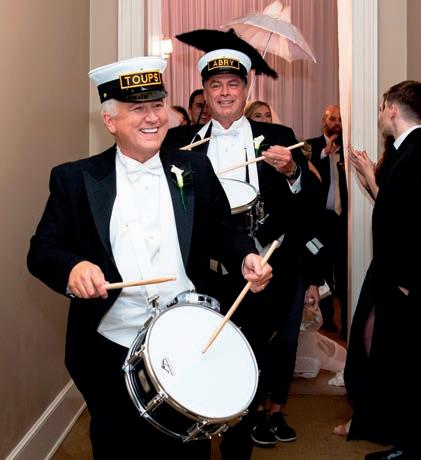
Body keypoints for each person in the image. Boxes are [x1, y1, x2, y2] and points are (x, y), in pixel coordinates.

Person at [26, 55, 273, 460]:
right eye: (137, 108)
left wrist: (245, 254)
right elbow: (42, 251)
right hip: (111, 344)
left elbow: (223, 231)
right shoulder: (75, 179)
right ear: (110, 120)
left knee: (187, 449)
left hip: (188, 341)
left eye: (157, 105)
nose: (153, 117)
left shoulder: (194, 167)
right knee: (117, 447)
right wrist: (73, 268)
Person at [164, 28, 325, 457]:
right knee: (199, 362)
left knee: (247, 369)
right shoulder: (180, 143)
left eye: (233, 84)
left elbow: (310, 204)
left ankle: (239, 449)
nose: (224, 92)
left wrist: (292, 173)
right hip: (205, 276)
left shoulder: (279, 135)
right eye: (215, 85)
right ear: (204, 91)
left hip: (263, 275)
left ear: (247, 88)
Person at [341, 80, 421, 460]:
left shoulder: (417, 152)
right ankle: (397, 437)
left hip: (404, 280)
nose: (379, 115)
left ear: (392, 108)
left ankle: (407, 445)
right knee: (394, 356)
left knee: (408, 363)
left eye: (380, 107)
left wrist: (407, 280)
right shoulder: (407, 151)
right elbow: (394, 209)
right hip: (395, 275)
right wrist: (371, 178)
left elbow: (415, 223)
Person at [307, 104, 348, 338]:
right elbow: (308, 171)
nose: (337, 124)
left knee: (342, 268)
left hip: (341, 220)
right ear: (324, 121)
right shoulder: (312, 146)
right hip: (319, 220)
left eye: (340, 120)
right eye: (333, 119)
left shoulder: (347, 147)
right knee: (321, 267)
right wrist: (324, 152)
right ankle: (325, 320)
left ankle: (345, 321)